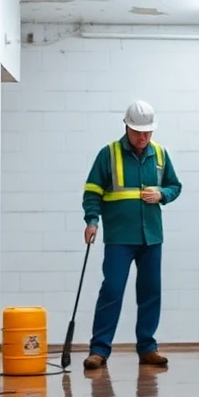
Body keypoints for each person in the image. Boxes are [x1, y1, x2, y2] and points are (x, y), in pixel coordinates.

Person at [81, 100, 183, 370]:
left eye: (148, 132)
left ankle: (147, 347)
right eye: (138, 132)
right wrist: (92, 220)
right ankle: (99, 350)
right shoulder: (109, 154)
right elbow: (92, 191)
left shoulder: (160, 154)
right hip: (119, 237)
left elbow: (175, 185)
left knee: (150, 291)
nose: (143, 137)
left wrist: (163, 194)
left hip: (151, 237)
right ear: (126, 126)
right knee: (112, 289)